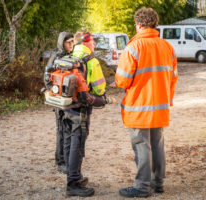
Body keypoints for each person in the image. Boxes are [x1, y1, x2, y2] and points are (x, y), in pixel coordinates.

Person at [115, 8, 178, 198]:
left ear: (139, 25)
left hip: (139, 107)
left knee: (142, 145)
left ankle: (142, 186)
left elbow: (123, 80)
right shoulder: (168, 47)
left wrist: (117, 80)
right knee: (157, 144)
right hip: (160, 106)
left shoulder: (133, 47)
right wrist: (167, 101)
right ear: (154, 24)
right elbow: (173, 78)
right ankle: (157, 183)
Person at [63, 30, 107, 197]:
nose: (94, 44)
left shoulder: (69, 56)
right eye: (93, 41)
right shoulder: (91, 61)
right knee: (78, 143)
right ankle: (73, 183)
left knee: (69, 141)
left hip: (66, 107)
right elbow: (99, 88)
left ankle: (73, 175)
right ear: (86, 42)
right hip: (81, 109)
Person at [44, 31, 74, 174]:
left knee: (67, 129)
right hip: (59, 101)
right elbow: (47, 77)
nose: (71, 45)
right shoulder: (56, 57)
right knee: (61, 130)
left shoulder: (71, 56)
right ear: (62, 43)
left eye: (73, 42)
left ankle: (66, 158)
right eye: (69, 42)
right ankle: (60, 161)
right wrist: (56, 94)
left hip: (68, 100)